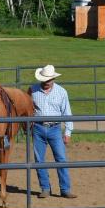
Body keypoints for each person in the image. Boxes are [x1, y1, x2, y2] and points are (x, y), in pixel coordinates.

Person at [28, 64, 77, 199]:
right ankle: (45, 188)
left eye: (48, 79)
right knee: (39, 160)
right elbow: (27, 109)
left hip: (55, 129)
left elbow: (67, 113)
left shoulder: (62, 92)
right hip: (38, 128)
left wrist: (68, 132)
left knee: (61, 159)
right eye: (44, 80)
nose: (46, 82)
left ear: (53, 79)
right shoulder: (32, 90)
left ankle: (65, 189)